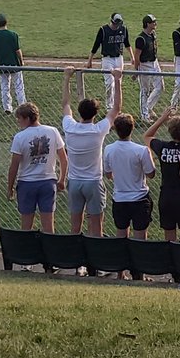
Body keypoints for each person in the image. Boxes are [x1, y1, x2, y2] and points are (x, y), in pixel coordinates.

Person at [62, 65, 122, 238]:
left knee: (75, 227)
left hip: (74, 182)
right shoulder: (98, 130)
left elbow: (65, 104)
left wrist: (67, 77)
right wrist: (117, 80)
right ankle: (95, 255)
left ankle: (76, 255)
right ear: (95, 114)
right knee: (96, 228)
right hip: (93, 182)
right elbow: (116, 109)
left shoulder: (69, 127)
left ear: (79, 112)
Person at [8, 103, 67, 236]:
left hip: (27, 183)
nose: (18, 121)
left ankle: (28, 247)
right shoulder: (53, 131)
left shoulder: (20, 137)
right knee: (48, 225)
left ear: (27, 118)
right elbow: (64, 158)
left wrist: (10, 187)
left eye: (19, 118)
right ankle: (49, 248)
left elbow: (14, 166)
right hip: (48, 181)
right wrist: (62, 179)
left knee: (26, 226)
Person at [144, 106, 180, 243]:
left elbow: (147, 136)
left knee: (169, 239)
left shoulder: (163, 147)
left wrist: (162, 119)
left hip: (166, 196)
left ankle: (171, 257)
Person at [103, 113, 156, 240]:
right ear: (132, 128)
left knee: (121, 236)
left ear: (115, 129)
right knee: (140, 238)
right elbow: (151, 174)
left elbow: (108, 174)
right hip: (140, 198)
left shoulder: (109, 149)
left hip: (119, 198)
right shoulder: (141, 150)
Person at [87, 12, 132, 111]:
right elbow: (96, 45)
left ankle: (117, 106)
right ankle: (109, 107)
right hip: (107, 59)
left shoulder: (123, 29)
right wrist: (90, 60)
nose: (117, 26)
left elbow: (127, 44)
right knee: (109, 83)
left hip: (119, 58)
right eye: (116, 23)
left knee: (118, 83)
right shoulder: (103, 30)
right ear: (112, 21)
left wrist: (132, 57)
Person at [0, 13, 25, 114]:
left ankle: (7, 107)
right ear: (6, 22)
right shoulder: (13, 35)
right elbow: (18, 51)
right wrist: (21, 62)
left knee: (4, 87)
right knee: (19, 87)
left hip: (2, 66)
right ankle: (22, 106)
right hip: (15, 65)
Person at [133, 14, 164, 123]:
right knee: (145, 90)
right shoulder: (141, 39)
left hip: (154, 62)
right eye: (153, 22)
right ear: (147, 24)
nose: (155, 23)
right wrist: (136, 70)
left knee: (160, 87)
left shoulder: (153, 34)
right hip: (144, 65)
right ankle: (144, 115)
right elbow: (137, 56)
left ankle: (148, 107)